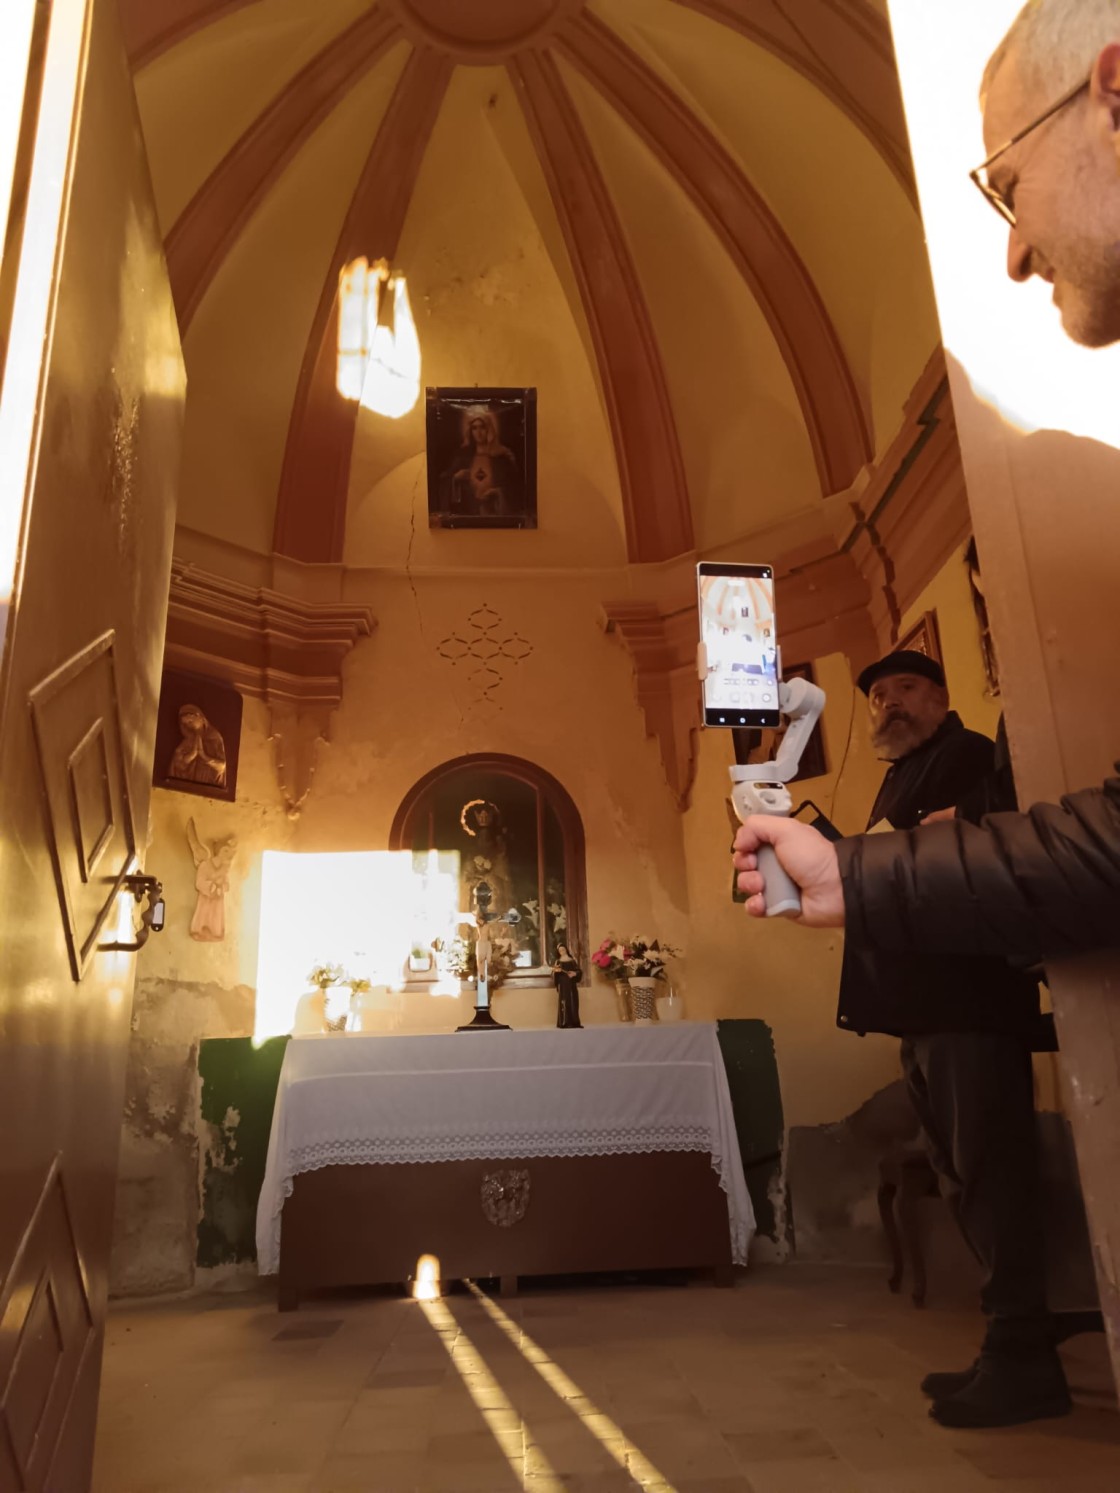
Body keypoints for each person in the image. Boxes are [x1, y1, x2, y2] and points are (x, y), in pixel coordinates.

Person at [832, 651, 1058, 1429]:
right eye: (876, 697)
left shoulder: (965, 757)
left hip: (968, 1002)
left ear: (940, 696)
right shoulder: (904, 773)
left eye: (902, 690)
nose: (887, 706)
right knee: (962, 1173)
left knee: (991, 1171)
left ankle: (1024, 1354)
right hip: (922, 1004)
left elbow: (963, 854)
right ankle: (1007, 1341)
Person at [168, 703, 227, 788]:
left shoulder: (214, 738)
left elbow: (221, 766)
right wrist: (192, 754)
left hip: (207, 782)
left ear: (201, 719)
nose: (188, 725)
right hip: (188, 783)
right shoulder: (188, 740)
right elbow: (177, 764)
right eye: (185, 724)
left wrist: (204, 756)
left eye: (190, 721)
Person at [552, 942, 583, 1029]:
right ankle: (564, 1022)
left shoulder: (572, 960)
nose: (562, 951)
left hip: (572, 985)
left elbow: (579, 971)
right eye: (560, 950)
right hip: (563, 985)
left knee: (573, 1002)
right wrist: (556, 972)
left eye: (563, 949)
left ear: (566, 950)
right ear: (558, 952)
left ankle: (574, 1022)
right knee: (564, 1002)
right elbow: (554, 973)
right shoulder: (558, 961)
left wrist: (574, 973)